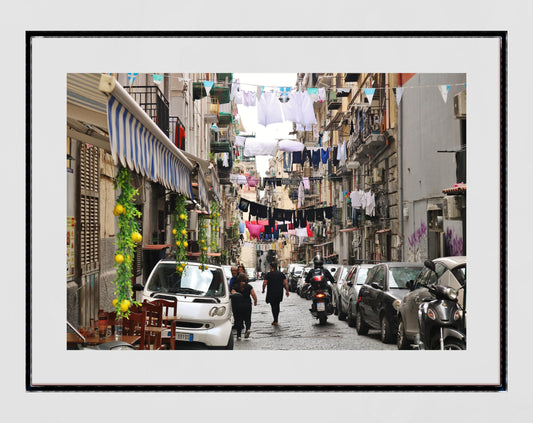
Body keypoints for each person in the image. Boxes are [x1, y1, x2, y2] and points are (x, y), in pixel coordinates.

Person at [231, 273, 257, 339]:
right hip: (247, 304)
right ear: (246, 279)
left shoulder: (235, 286)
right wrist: (255, 301)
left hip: (237, 304)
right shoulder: (249, 286)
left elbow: (233, 293)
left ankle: (239, 335)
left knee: (238, 320)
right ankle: (247, 329)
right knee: (248, 318)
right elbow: (253, 294)